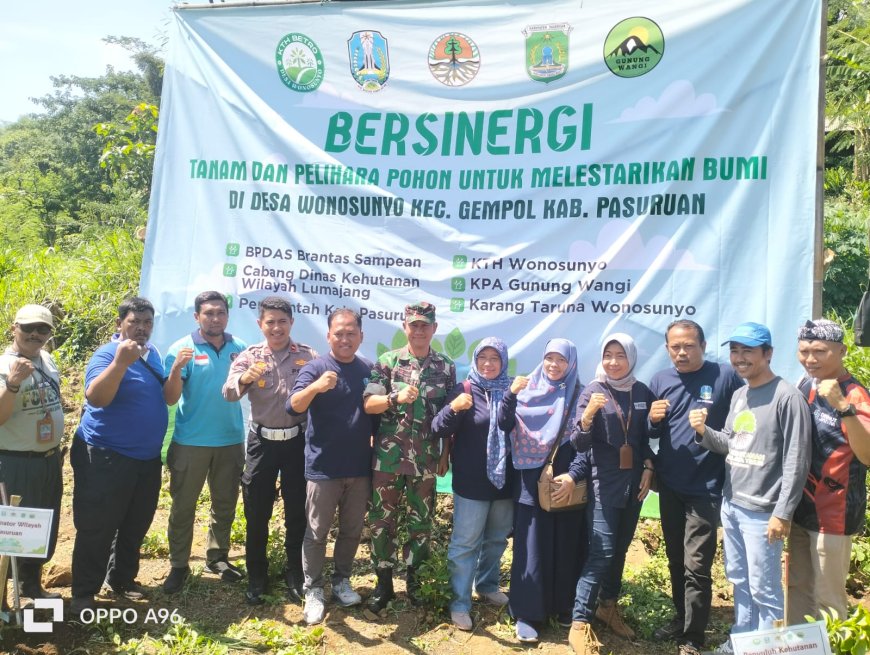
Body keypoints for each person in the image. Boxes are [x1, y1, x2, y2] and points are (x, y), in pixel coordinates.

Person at [689, 322, 811, 654]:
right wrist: (702, 431)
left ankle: (767, 648)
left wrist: (782, 513)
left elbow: (796, 460)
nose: (740, 358)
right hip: (733, 506)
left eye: (748, 351)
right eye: (735, 351)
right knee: (740, 582)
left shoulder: (788, 397)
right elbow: (731, 443)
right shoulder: (741, 394)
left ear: (768, 354)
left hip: (764, 513)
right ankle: (742, 641)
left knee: (765, 590)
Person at [647, 320, 744, 655]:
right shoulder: (660, 380)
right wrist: (653, 420)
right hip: (670, 484)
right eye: (675, 346)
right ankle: (681, 617)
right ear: (667, 349)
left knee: (697, 565)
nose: (682, 352)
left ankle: (694, 636)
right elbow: (652, 435)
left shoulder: (725, 377)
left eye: (689, 345)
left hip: (706, 486)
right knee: (675, 558)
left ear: (703, 345)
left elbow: (742, 424)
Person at [70, 297, 169, 614]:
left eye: (147, 323)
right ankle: (84, 592)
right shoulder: (107, 354)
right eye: (134, 322)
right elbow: (96, 398)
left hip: (146, 459)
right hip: (106, 456)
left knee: (135, 523)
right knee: (98, 524)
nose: (141, 328)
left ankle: (122, 580)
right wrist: (119, 364)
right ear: (119, 324)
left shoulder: (152, 354)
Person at [362, 301, 456, 613]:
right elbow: (369, 404)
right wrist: (394, 397)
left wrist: (445, 453)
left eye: (424, 325)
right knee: (381, 521)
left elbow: (449, 416)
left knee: (421, 522)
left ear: (434, 328)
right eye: (413, 324)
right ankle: (384, 583)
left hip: (426, 459)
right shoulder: (388, 362)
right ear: (405, 327)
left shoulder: (445, 367)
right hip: (388, 460)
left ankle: (415, 581)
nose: (418, 330)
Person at [223, 295, 315, 605]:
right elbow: (229, 393)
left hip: (297, 443)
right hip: (261, 444)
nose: (276, 327)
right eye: (270, 322)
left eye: (282, 321)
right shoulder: (249, 357)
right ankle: (257, 575)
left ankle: (294, 573)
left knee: (296, 512)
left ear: (291, 323)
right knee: (257, 511)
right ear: (260, 324)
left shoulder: (307, 355)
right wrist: (244, 380)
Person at [568, 334, 655, 655]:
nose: (614, 362)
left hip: (634, 486)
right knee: (601, 553)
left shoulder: (642, 391)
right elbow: (578, 442)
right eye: (608, 355)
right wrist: (589, 415)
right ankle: (579, 623)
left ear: (631, 358)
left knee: (619, 550)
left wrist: (648, 466)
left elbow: (644, 438)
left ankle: (608, 607)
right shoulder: (593, 391)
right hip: (604, 485)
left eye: (620, 355)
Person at [287, 309, 374, 625]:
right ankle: (313, 590)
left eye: (351, 333)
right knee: (316, 532)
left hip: (359, 468)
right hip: (323, 469)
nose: (345, 338)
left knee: (351, 531)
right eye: (339, 333)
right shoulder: (316, 368)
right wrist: (316, 388)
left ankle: (341, 581)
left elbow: (376, 416)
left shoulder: (368, 370)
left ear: (361, 336)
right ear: (328, 336)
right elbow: (293, 405)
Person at [498, 338, 587, 644]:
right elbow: (504, 422)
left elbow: (585, 444)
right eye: (549, 358)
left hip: (565, 484)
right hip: (529, 483)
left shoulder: (580, 393)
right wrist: (510, 395)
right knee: (531, 549)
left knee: (565, 546)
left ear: (571, 363)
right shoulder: (526, 389)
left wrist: (573, 477)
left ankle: (562, 607)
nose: (553, 365)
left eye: (560, 360)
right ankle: (527, 613)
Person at [162, 291, 247, 594]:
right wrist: (174, 369)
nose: (215, 318)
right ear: (197, 316)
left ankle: (217, 557)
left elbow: (246, 390)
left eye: (220, 313)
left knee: (224, 505)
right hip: (191, 442)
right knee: (183, 506)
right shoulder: (181, 349)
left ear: (227, 315)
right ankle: (178, 565)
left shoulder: (240, 348)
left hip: (230, 440)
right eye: (208, 313)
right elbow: (170, 397)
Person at [788, 319, 870, 623]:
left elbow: (867, 454)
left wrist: (842, 407)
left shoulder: (856, 395)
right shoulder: (804, 384)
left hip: (834, 513)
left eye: (820, 351)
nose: (810, 359)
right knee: (796, 587)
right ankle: (798, 646)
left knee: (827, 599)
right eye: (804, 351)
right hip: (800, 508)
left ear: (842, 351)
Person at [432, 337, 514, 631]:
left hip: (506, 482)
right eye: (483, 358)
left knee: (496, 539)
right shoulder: (465, 389)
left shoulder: (513, 389)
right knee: (465, 543)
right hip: (471, 481)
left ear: (503, 361)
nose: (488, 364)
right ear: (476, 360)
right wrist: (454, 407)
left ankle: (488, 584)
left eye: (495, 358)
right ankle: (459, 602)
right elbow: (438, 427)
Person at [0, 304, 64, 600]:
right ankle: (3, 598)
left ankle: (31, 587)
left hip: (49, 459)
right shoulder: (3, 366)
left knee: (42, 523)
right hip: (16, 461)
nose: (35, 334)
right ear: (14, 328)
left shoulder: (47, 360)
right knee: (13, 530)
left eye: (43, 329)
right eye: (28, 328)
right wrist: (12, 384)